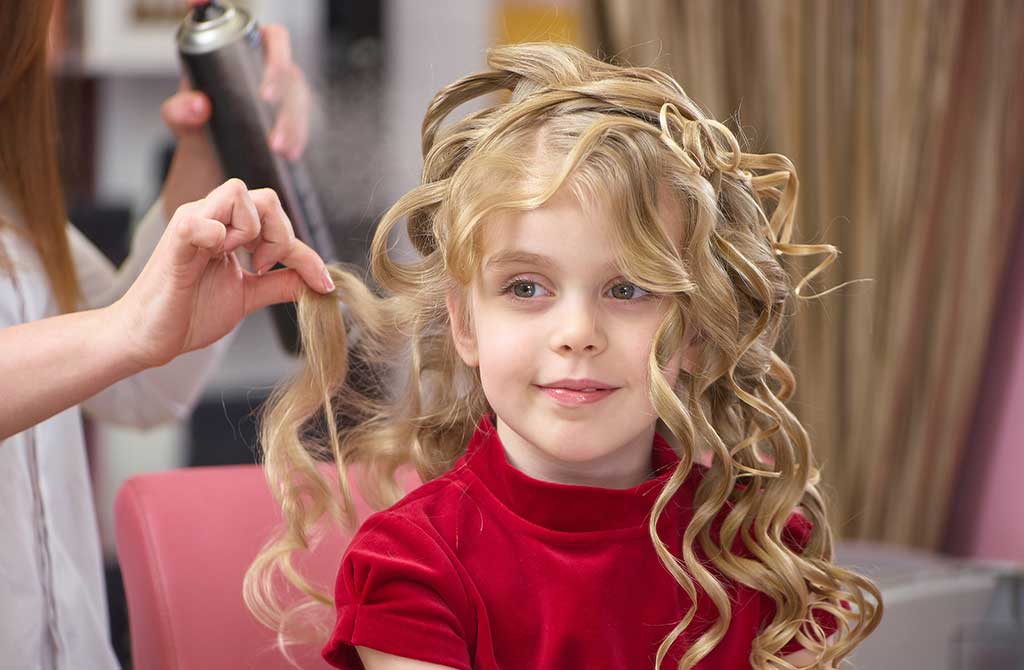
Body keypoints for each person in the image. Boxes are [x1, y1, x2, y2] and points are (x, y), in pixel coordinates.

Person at [244, 42, 883, 670]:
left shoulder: (758, 549)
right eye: (526, 288)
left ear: (694, 331)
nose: (577, 333)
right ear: (465, 321)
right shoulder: (411, 568)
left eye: (628, 289)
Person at [0, 1, 333, 668]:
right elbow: (118, 336)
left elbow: (139, 381)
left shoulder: (16, 210)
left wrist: (217, 134)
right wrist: (122, 332)